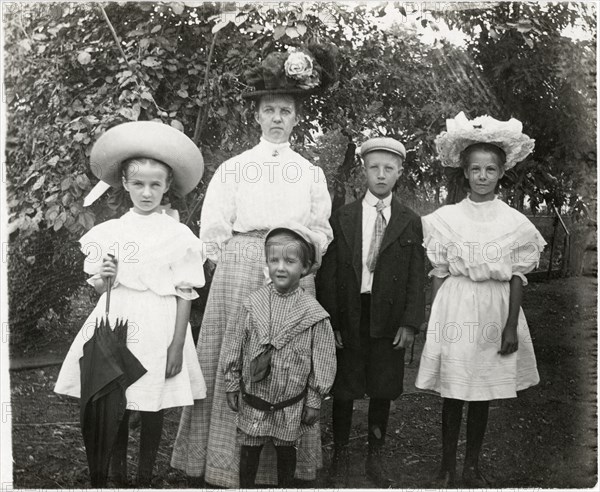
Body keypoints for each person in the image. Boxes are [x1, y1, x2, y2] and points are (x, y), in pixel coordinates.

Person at [171, 44, 337, 487]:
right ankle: (224, 465)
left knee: (289, 359)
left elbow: (321, 229)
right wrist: (242, 264)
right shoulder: (235, 168)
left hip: (295, 267)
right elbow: (214, 232)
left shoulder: (309, 172)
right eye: (270, 110)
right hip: (243, 264)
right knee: (236, 356)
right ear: (258, 117)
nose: (278, 118)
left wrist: (298, 263)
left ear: (297, 116)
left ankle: (285, 467)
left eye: (285, 110)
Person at [54, 121, 207, 487]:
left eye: (156, 185)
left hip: (160, 323)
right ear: (124, 183)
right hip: (120, 322)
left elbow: (185, 291)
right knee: (117, 400)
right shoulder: (112, 232)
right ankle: (118, 474)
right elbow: (102, 290)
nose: (147, 192)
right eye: (138, 184)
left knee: (153, 404)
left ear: (168, 186)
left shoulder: (178, 235)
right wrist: (107, 273)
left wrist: (175, 346)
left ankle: (145, 476)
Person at [414, 112, 547, 488]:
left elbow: (518, 276)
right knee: (454, 389)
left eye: (490, 169)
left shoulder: (514, 222)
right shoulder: (446, 218)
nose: (483, 176)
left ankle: (471, 465)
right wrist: (432, 324)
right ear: (465, 173)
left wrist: (510, 326)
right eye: (476, 169)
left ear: (501, 172)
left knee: (480, 393)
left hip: (493, 307)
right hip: (455, 306)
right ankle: (446, 465)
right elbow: (439, 273)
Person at [317, 137, 425, 488]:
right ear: (363, 170)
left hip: (389, 318)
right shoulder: (344, 217)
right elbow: (330, 274)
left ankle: (375, 458)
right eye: (374, 167)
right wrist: (331, 319)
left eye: (389, 169)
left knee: (383, 386)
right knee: (345, 388)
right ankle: (340, 457)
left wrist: (410, 322)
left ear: (399, 172)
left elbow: (414, 276)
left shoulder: (409, 220)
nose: (381, 175)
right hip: (351, 312)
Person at [222, 223, 337, 488]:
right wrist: (231, 382)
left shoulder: (314, 314)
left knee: (287, 450)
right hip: (255, 398)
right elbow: (235, 343)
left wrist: (314, 400)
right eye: (274, 260)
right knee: (249, 447)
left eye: (290, 261)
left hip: (291, 403)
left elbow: (323, 359)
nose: (281, 267)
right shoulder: (253, 304)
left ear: (305, 267)